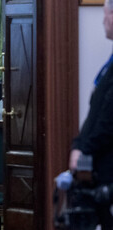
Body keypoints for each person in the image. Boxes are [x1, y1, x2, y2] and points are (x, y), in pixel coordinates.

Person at [69, 0, 113, 228]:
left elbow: (108, 119)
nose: (103, 19)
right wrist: (78, 145)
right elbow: (95, 111)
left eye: (106, 14)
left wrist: (84, 149)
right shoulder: (110, 63)